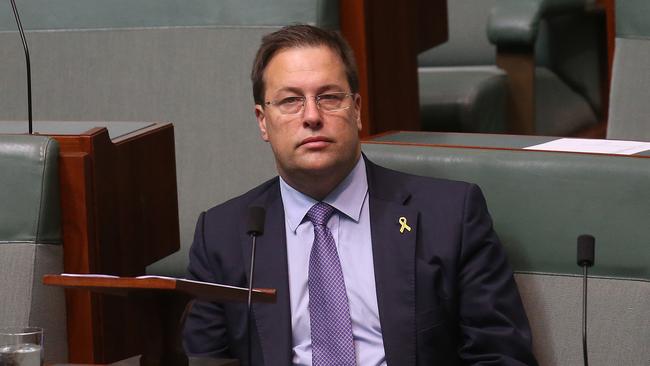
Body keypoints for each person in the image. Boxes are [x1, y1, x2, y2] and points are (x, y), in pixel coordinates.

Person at [183, 24, 538, 366]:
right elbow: (204, 361)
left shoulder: (450, 216)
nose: (312, 116)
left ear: (356, 110)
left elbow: (502, 356)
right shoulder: (222, 236)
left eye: (329, 97)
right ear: (262, 121)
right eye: (291, 100)